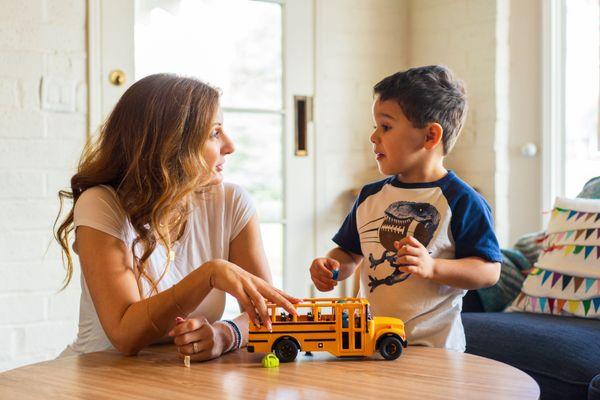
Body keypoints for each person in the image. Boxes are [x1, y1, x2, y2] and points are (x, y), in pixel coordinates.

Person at [54, 73, 298, 362]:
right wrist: (209, 274)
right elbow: (124, 335)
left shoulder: (231, 202)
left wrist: (225, 334)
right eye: (214, 133)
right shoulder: (101, 204)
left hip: (182, 378)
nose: (230, 145)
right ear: (171, 144)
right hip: (100, 374)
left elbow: (266, 311)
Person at [309, 65, 502, 352]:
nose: (374, 137)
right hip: (373, 341)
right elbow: (350, 252)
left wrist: (433, 266)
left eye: (386, 126)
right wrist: (332, 266)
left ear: (429, 137)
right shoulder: (370, 196)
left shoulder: (462, 200)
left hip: (435, 348)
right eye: (375, 126)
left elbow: (489, 271)